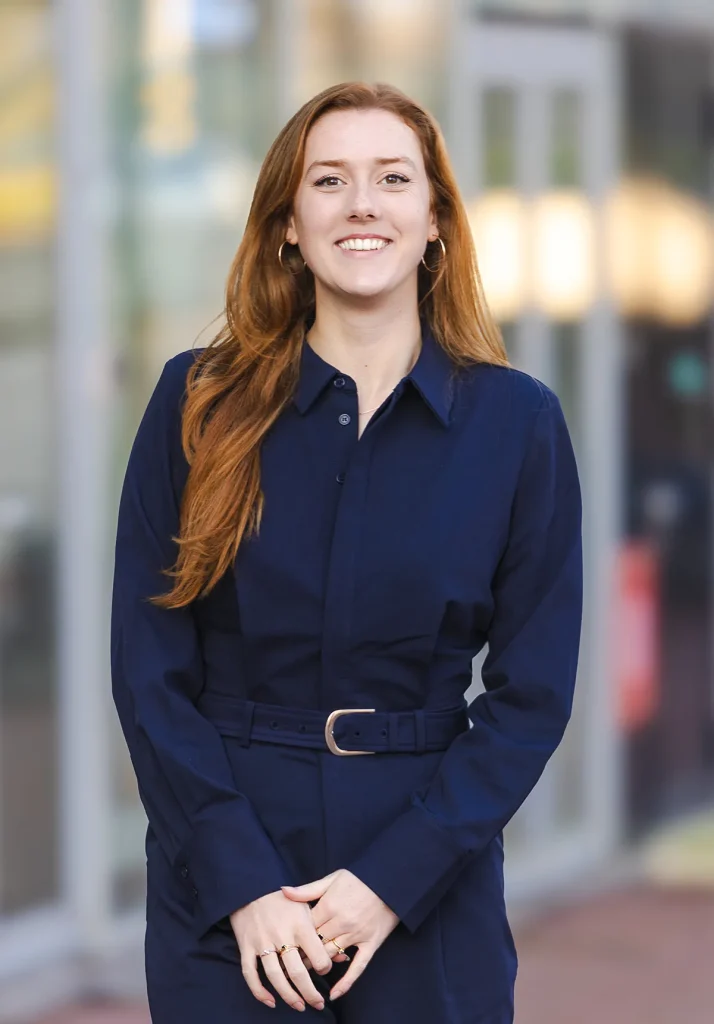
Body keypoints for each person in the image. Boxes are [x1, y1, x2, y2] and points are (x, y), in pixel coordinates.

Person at [111, 81, 583, 1023]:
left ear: (436, 220)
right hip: (228, 873)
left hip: (426, 870)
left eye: (393, 179)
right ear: (290, 222)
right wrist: (240, 884)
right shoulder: (196, 403)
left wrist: (392, 882)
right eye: (330, 180)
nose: (362, 203)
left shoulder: (517, 423)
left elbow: (532, 697)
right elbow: (149, 669)